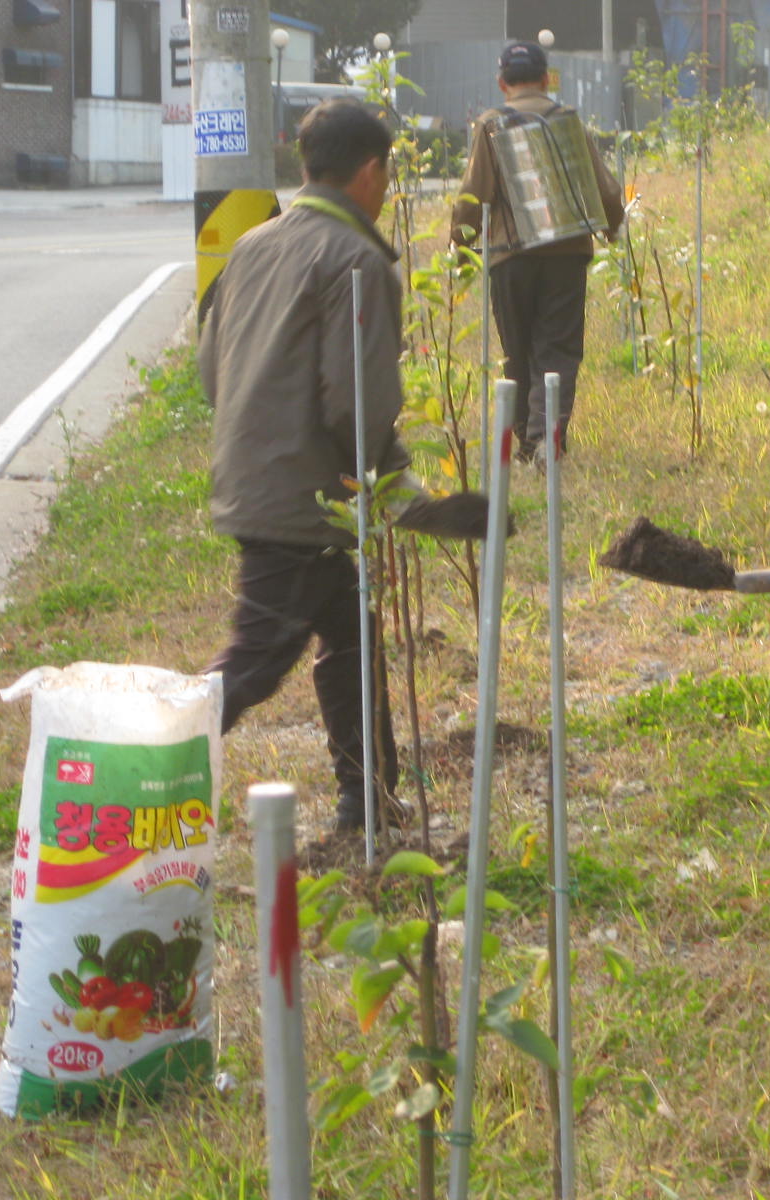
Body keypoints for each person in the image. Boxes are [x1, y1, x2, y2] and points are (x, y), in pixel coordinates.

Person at [199, 100, 491, 835]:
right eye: (388, 174)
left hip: (261, 482)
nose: (388, 188)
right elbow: (353, 409)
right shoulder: (356, 262)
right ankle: (136, 765)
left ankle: (368, 806)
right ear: (370, 172)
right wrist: (407, 498)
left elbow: (212, 374)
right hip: (302, 504)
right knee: (257, 662)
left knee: (351, 644)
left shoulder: (253, 246)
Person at [451, 40, 626, 467]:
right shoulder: (568, 121)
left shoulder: (491, 125)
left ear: (501, 82)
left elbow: (474, 195)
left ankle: (525, 443)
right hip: (566, 254)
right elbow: (605, 190)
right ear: (547, 79)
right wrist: (611, 229)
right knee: (559, 350)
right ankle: (548, 438)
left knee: (519, 349)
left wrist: (460, 247)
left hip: (510, 257)